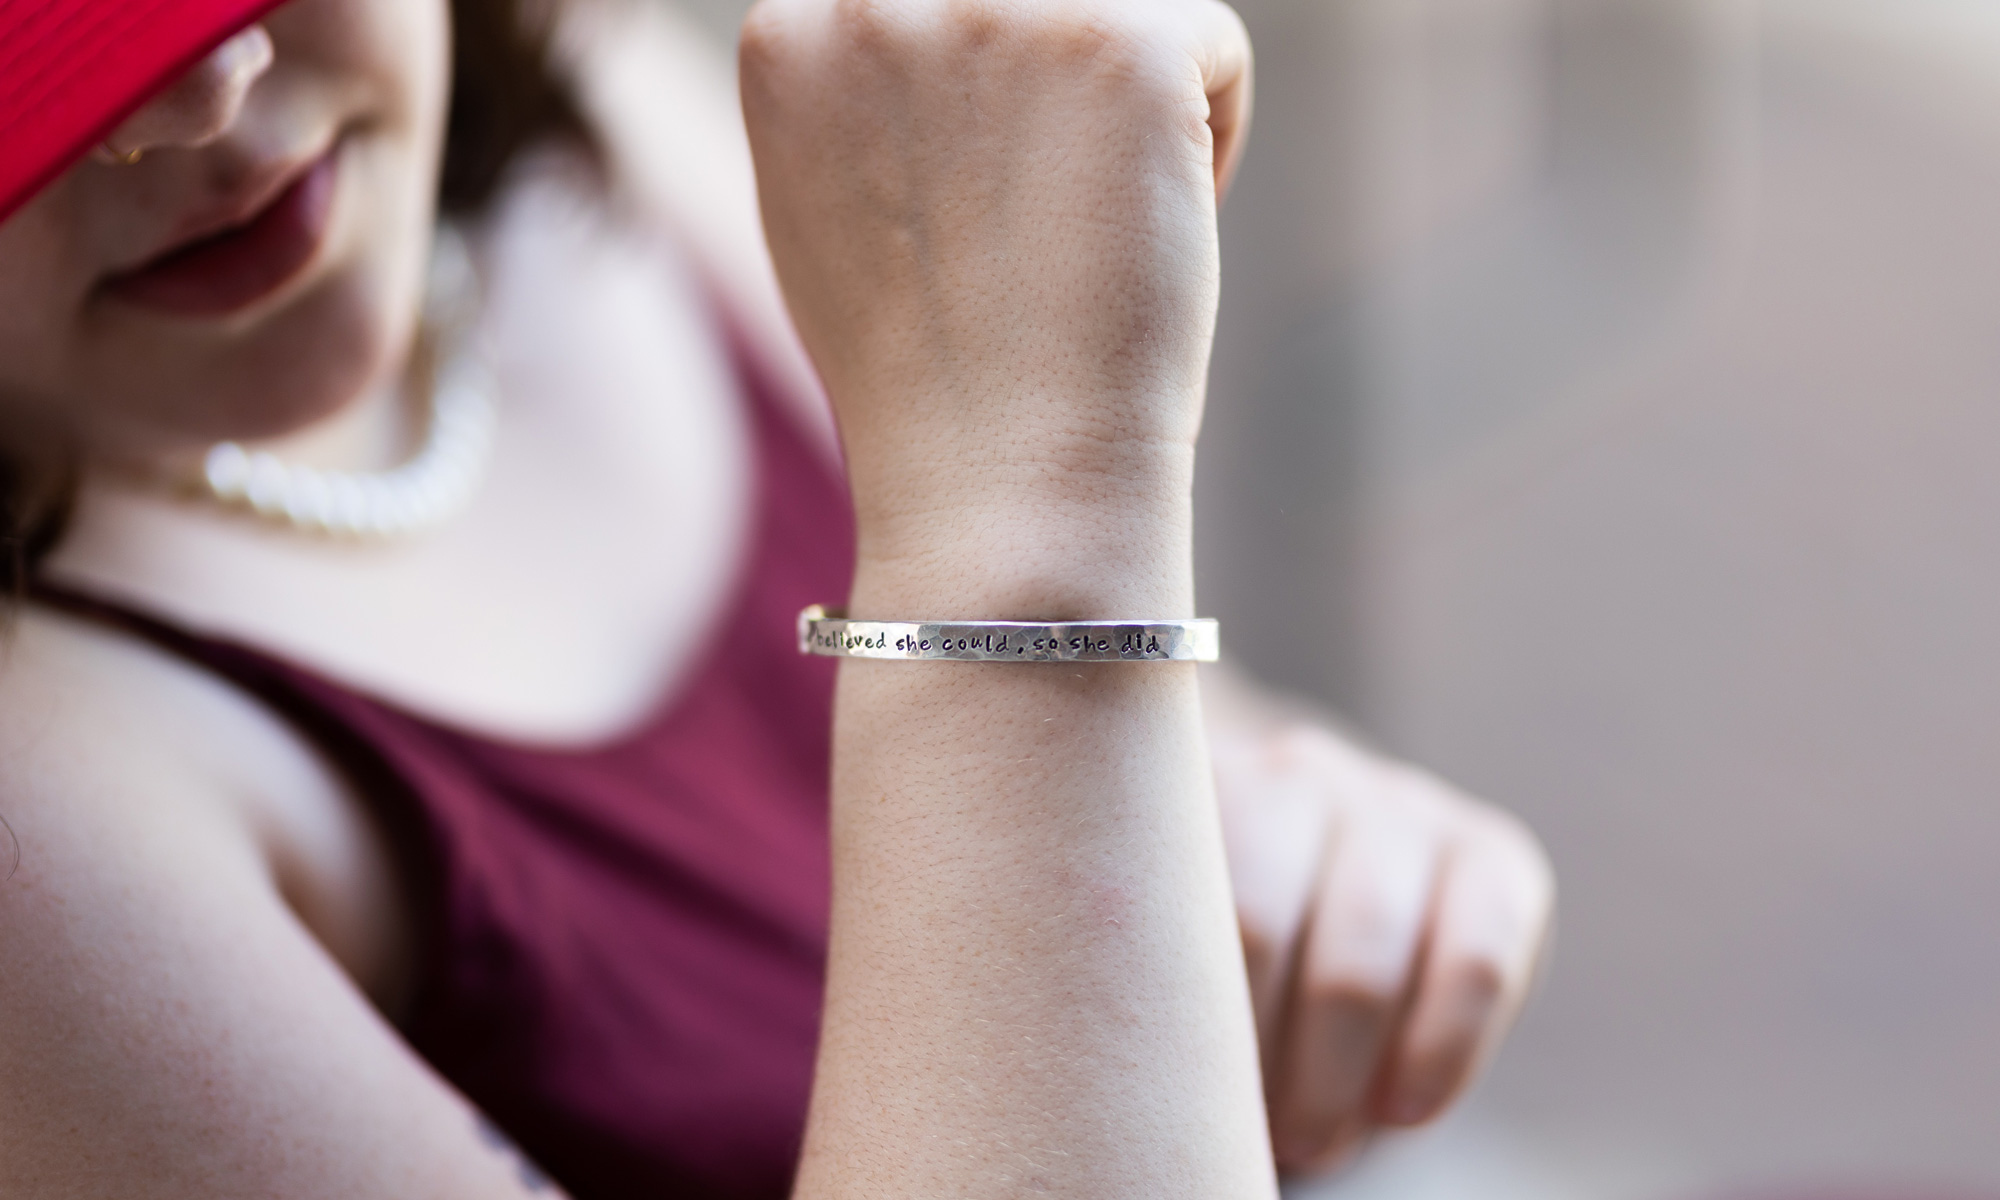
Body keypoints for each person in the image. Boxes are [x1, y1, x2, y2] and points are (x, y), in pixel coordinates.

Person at [0, 0, 1556, 1195]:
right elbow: (1049, 601)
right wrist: (1015, 518)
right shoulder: (42, 825)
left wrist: (1315, 845)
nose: (200, 95)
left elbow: (1165, 743)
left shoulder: (586, 127)